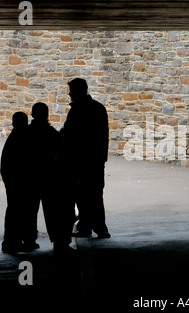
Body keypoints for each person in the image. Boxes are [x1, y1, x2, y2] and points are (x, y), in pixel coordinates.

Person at [60, 78, 110, 239]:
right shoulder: (98, 108)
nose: (70, 95)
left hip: (81, 160)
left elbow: (69, 134)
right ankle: (97, 227)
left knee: (83, 195)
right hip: (94, 160)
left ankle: (87, 227)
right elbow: (103, 136)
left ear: (79, 91)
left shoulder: (78, 111)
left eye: (72, 91)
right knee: (94, 195)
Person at [27, 102, 74, 255]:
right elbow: (63, 152)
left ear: (33, 114)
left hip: (32, 177)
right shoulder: (51, 133)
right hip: (50, 177)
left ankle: (28, 240)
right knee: (53, 211)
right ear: (46, 115)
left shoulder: (27, 133)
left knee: (29, 210)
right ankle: (59, 242)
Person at [1, 111, 30, 253]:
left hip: (12, 180)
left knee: (14, 210)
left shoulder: (14, 137)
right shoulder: (22, 138)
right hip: (18, 181)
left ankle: (12, 241)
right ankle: (12, 242)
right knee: (17, 211)